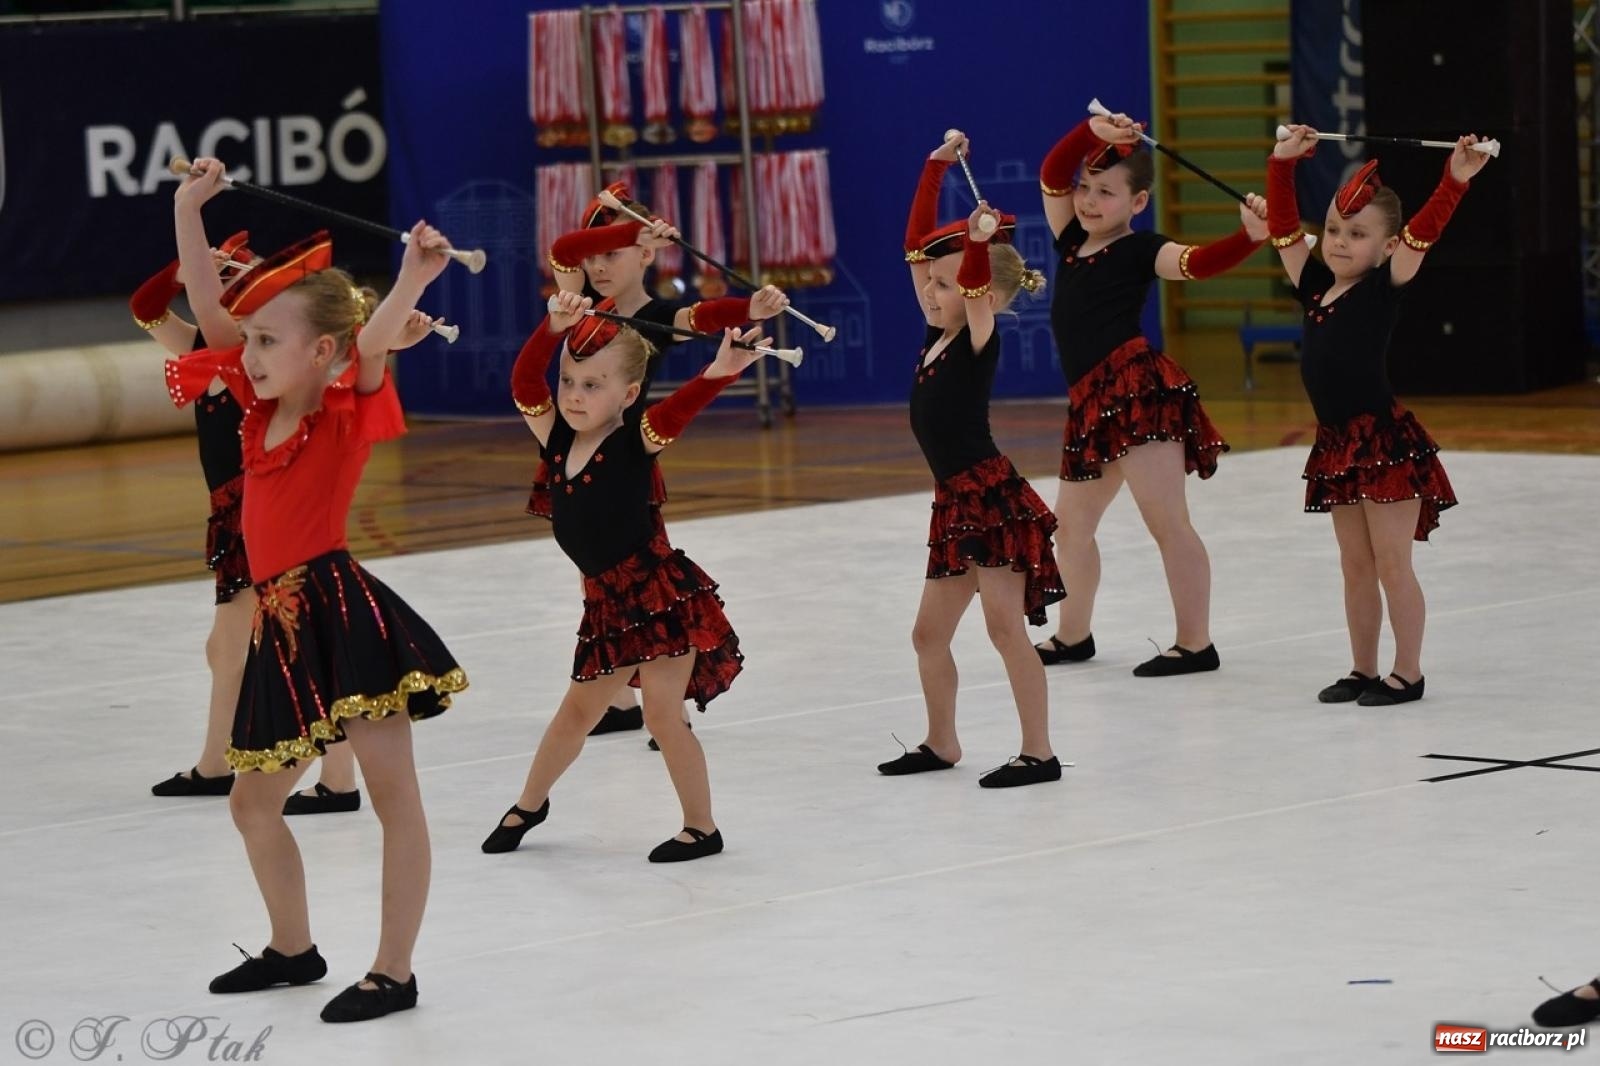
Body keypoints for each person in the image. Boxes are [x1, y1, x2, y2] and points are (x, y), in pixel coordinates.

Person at [168, 158, 467, 1022]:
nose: (247, 352)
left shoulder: (340, 409)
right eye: (251, 340)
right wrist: (191, 209)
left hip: (340, 612)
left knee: (391, 793)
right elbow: (206, 305)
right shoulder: (258, 409)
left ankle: (393, 969)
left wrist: (413, 273)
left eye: (269, 340)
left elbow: (371, 349)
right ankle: (293, 949)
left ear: (323, 351)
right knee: (252, 800)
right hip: (282, 624)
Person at [483, 291, 753, 861]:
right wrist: (551, 327)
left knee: (662, 714)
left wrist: (720, 373)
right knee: (577, 711)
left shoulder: (636, 441)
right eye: (570, 382)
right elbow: (524, 379)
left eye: (593, 385)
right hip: (607, 602)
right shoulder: (555, 439)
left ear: (629, 394)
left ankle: (702, 827)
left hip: (659, 597)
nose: (576, 397)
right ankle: (531, 803)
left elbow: (678, 409)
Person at [543, 183, 786, 739]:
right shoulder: (580, 298)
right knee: (596, 578)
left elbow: (704, 317)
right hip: (576, 454)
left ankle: (665, 706)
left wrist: (752, 305)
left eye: (615, 254)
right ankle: (624, 699)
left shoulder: (656, 316)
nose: (598, 265)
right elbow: (563, 248)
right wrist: (628, 230)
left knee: (648, 581)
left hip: (628, 461)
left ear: (648, 256)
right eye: (596, 254)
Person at [1032, 111, 1268, 676]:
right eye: (1086, 189)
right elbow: (1051, 171)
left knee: (1166, 521)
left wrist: (1249, 238)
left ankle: (1195, 643)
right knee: (1071, 526)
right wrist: (1095, 135)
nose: (1088, 201)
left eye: (1106, 193)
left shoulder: (1143, 250)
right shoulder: (1069, 239)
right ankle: (1074, 634)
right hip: (1091, 402)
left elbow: (1198, 263)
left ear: (1138, 203)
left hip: (1138, 393)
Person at [1266, 126, 1484, 704]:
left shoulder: (1384, 287)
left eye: (1357, 234)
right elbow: (1285, 231)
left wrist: (1453, 182)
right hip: (1337, 443)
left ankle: (1407, 672)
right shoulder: (1315, 287)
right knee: (1355, 566)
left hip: (1384, 444)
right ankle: (1362, 668)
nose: (1338, 242)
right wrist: (1281, 165)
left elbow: (1424, 235)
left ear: (1386, 247)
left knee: (1392, 564)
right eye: (1335, 229)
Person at [876, 132, 1065, 788]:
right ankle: (942, 742)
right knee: (928, 635)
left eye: (946, 285)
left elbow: (976, 286)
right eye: (931, 282)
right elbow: (915, 247)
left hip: (991, 500)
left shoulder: (979, 338)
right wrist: (932, 167)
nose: (931, 292)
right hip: (955, 503)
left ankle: (1039, 751)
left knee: (1004, 627)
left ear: (982, 292)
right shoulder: (938, 331)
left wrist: (980, 243)